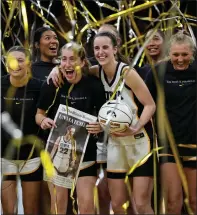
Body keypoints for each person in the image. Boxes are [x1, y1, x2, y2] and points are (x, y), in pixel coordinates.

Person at [35, 41, 106, 214]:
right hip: (57, 153)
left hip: (86, 153)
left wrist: (100, 126)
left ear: (82, 62)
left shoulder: (94, 85)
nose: (67, 64)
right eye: (64, 59)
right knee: (58, 206)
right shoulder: (53, 83)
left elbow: (104, 118)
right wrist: (43, 121)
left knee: (87, 205)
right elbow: (38, 115)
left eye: (72, 59)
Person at [146, 31, 196, 214]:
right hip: (168, 144)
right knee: (173, 202)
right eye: (175, 55)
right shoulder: (158, 72)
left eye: (185, 54)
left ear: (192, 53)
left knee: (194, 201)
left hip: (194, 143)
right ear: (169, 53)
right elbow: (144, 102)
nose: (180, 59)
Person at [1, 46, 42, 214]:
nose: (15, 64)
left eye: (20, 60)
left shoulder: (39, 87)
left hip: (31, 157)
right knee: (9, 211)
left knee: (31, 209)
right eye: (11, 60)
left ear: (29, 64)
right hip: (5, 157)